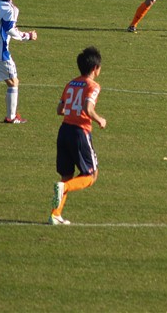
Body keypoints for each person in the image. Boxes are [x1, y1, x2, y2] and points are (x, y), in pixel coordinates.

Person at [49, 46, 106, 225]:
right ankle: (64, 188)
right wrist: (100, 119)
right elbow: (88, 109)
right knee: (91, 175)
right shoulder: (93, 86)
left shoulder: (71, 83)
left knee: (66, 174)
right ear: (95, 68)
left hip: (64, 130)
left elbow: (60, 110)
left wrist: (72, 110)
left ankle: (55, 215)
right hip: (80, 133)